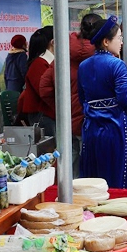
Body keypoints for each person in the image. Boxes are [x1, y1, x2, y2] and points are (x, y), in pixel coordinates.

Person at [78, 16, 127, 188]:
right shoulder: (117, 65)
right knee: (115, 180)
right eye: (119, 38)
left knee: (92, 180)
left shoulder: (83, 65)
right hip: (114, 128)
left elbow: (82, 99)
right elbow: (126, 100)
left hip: (91, 127)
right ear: (106, 41)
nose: (122, 42)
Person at [38, 15, 97, 176]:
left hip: (66, 119)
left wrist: (61, 107)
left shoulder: (63, 55)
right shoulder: (101, 57)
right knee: (90, 166)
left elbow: (44, 87)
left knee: (68, 163)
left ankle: (66, 196)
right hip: (91, 120)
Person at [16, 26, 55, 135]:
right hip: (42, 115)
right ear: (53, 42)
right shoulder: (39, 64)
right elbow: (44, 92)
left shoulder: (46, 62)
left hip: (47, 114)